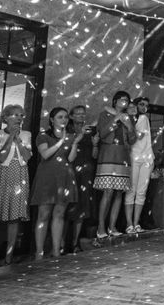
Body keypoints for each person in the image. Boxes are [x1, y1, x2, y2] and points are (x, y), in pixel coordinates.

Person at [31, 107, 80, 259]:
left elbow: (71, 159)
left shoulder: (71, 136)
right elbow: (45, 154)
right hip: (47, 178)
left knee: (59, 214)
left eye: (65, 117)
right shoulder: (43, 135)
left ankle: (56, 251)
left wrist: (75, 143)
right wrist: (60, 142)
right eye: (60, 117)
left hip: (64, 177)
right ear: (52, 120)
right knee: (43, 214)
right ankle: (39, 252)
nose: (64, 120)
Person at [0, 105, 31, 265]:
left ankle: (9, 256)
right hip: (2, 174)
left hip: (20, 174)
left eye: (21, 115)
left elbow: (27, 156)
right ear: (5, 117)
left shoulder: (26, 134)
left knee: (14, 217)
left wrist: (19, 140)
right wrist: (10, 138)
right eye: (15, 115)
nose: (19, 118)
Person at [94, 90, 137, 239]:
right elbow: (102, 134)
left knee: (119, 192)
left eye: (127, 100)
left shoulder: (129, 117)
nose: (124, 102)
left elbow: (132, 139)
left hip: (123, 156)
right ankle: (100, 228)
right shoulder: (104, 114)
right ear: (115, 101)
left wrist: (129, 125)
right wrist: (115, 119)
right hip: (108, 154)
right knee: (108, 191)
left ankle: (112, 227)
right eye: (122, 99)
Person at [65, 105, 99, 253]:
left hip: (86, 173)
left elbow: (95, 156)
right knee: (67, 207)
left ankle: (75, 242)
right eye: (77, 114)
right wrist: (77, 139)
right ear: (71, 116)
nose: (81, 116)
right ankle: (62, 244)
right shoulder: (67, 131)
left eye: (83, 114)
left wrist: (95, 144)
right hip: (70, 171)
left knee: (82, 207)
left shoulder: (89, 132)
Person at [125, 97, 154, 234]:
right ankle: (129, 224)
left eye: (146, 105)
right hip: (134, 157)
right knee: (132, 190)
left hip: (146, 157)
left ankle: (136, 224)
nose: (144, 107)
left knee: (141, 191)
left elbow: (141, 136)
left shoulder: (144, 119)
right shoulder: (132, 119)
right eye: (141, 104)